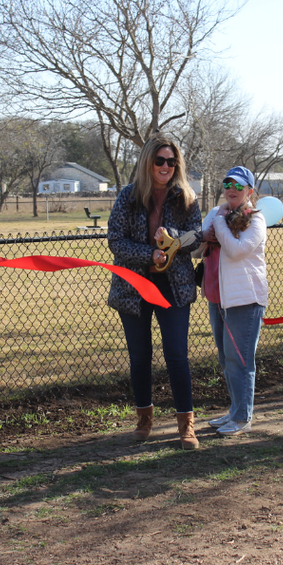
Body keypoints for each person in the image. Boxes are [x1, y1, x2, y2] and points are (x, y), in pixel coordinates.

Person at [107, 134, 203, 450]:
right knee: (140, 357)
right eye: (160, 160)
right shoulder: (127, 197)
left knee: (177, 355)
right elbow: (116, 241)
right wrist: (150, 254)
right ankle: (144, 420)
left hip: (173, 289)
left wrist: (172, 239)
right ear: (148, 162)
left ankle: (186, 426)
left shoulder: (187, 198)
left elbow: (197, 240)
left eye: (171, 161)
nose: (165, 166)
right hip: (134, 287)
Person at [201, 166, 268, 436]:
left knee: (240, 360)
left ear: (249, 191)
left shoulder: (255, 219)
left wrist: (217, 225)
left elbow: (237, 250)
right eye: (228, 183)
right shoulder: (216, 213)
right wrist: (204, 235)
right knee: (226, 358)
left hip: (244, 300)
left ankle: (242, 417)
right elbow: (197, 249)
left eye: (239, 186)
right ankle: (234, 410)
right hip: (217, 297)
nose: (232, 189)